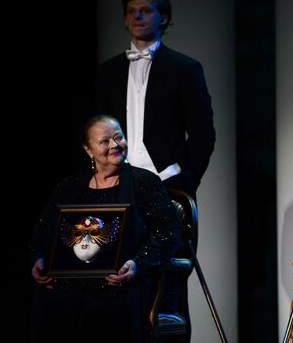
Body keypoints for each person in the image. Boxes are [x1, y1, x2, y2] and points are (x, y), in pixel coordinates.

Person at [95, 0, 216, 336]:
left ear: (163, 18)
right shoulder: (107, 71)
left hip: (166, 186)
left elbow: (203, 135)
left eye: (145, 10)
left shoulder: (184, 68)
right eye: (131, 10)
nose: (136, 16)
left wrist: (184, 181)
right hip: (119, 185)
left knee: (169, 285)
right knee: (115, 274)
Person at [29, 114, 182, 343]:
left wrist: (137, 263)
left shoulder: (144, 182)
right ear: (88, 149)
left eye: (119, 137)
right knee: (50, 302)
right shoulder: (69, 187)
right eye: (104, 141)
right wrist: (39, 259)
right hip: (70, 285)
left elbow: (168, 231)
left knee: (102, 312)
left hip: (120, 284)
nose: (115, 145)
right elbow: (42, 234)